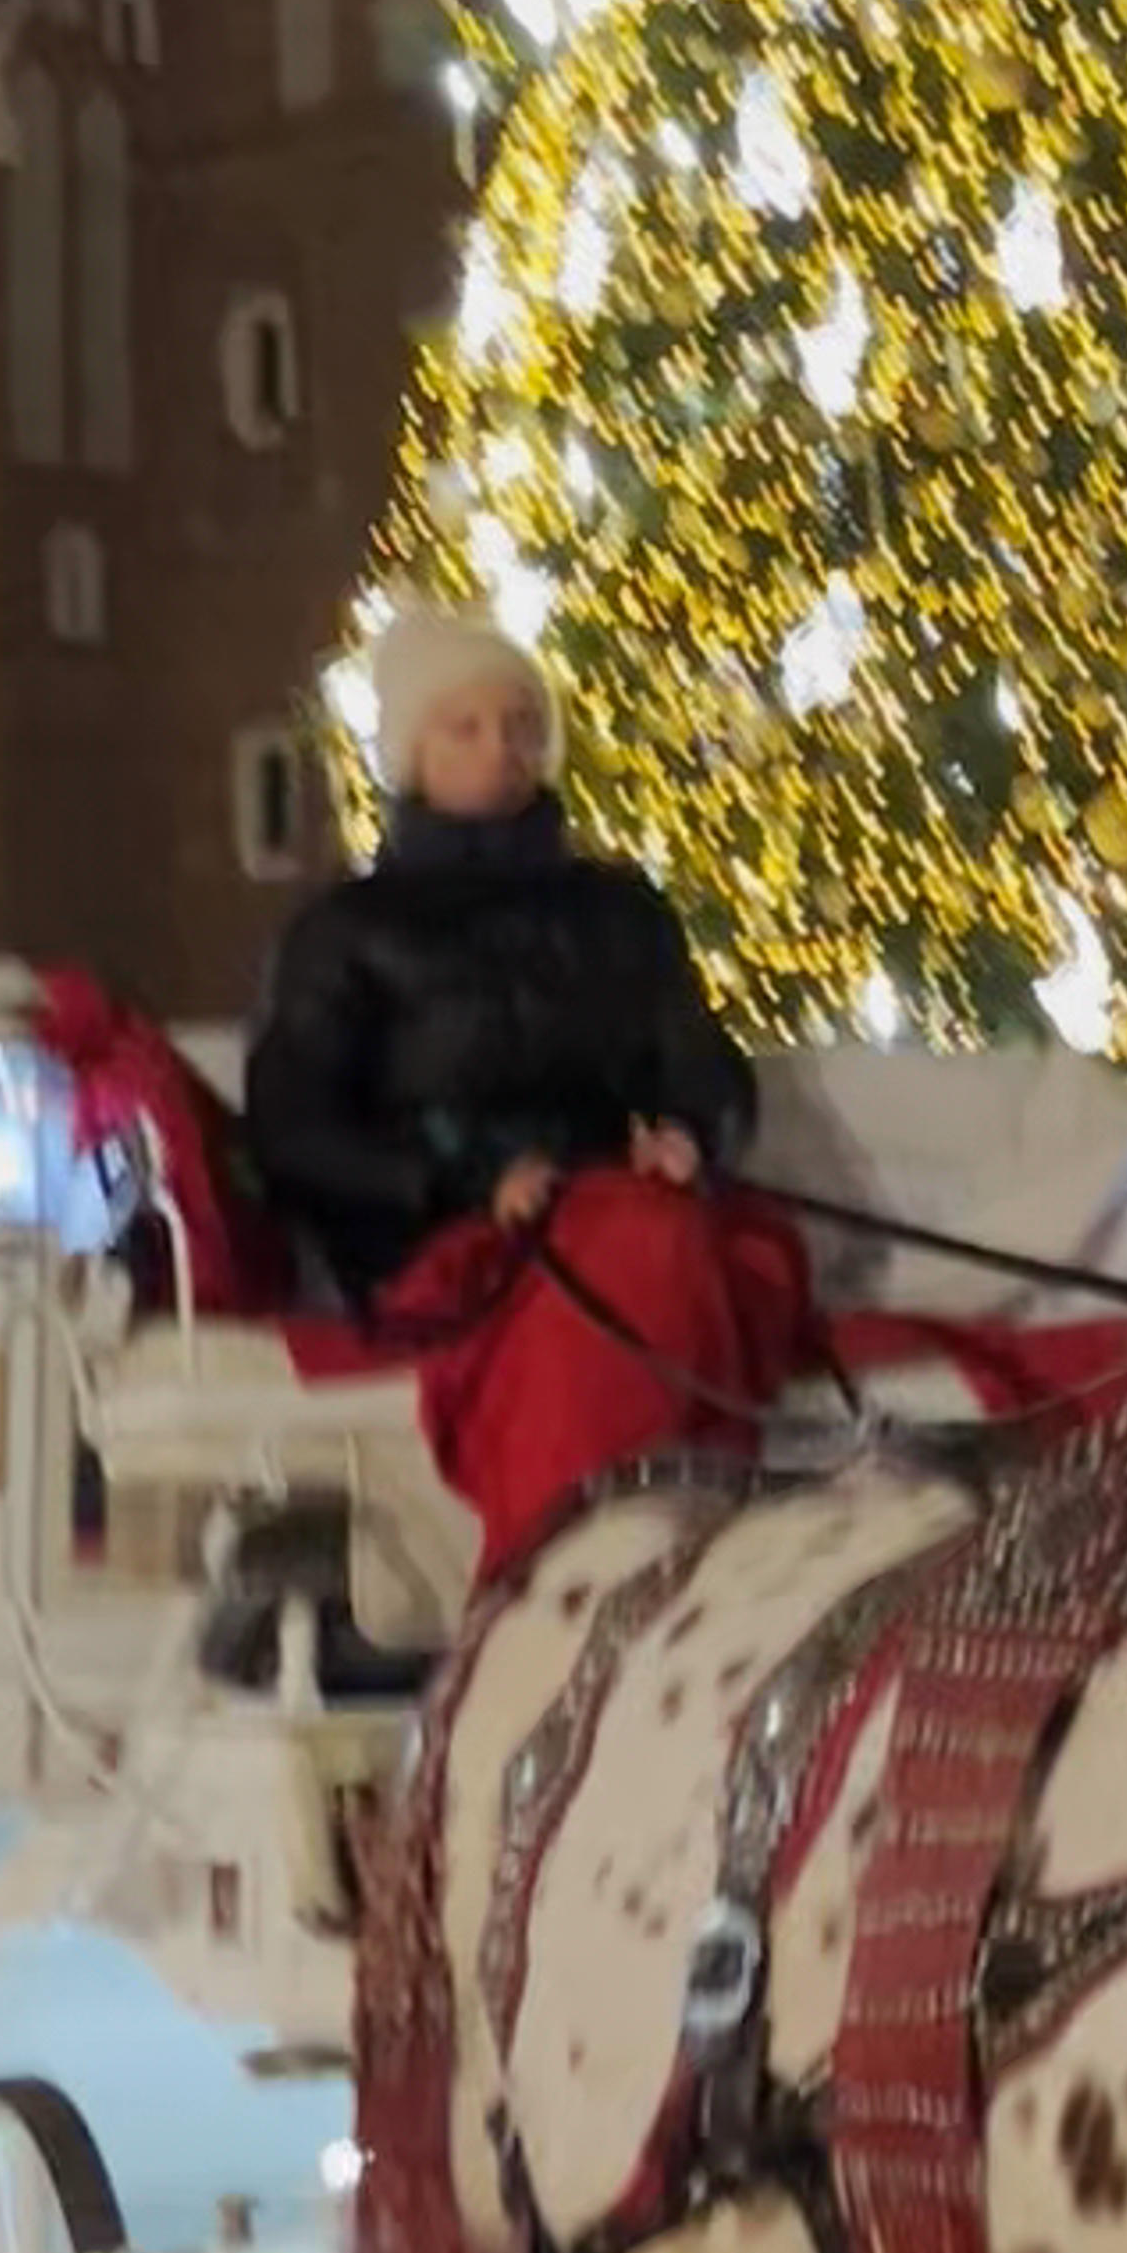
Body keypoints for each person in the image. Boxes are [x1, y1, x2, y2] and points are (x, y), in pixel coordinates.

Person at [248, 602, 815, 1578]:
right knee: (637, 1262)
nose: (501, 748)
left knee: (658, 1244)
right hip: (452, 1244)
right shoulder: (345, 933)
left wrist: (688, 1131)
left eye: (519, 723)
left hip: (617, 1206)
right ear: (412, 753)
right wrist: (461, 1180)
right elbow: (297, 1129)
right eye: (466, 726)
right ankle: (592, 1571)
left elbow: (699, 1063)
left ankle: (619, 1569)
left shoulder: (620, 911)